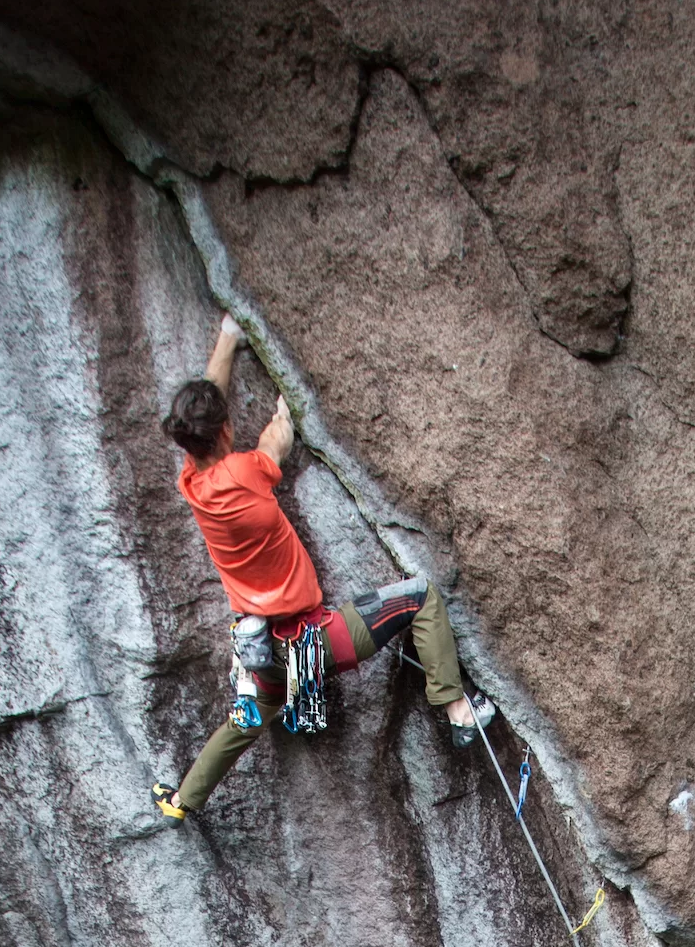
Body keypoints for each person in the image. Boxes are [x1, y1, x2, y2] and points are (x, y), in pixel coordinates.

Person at [153, 313, 483, 822]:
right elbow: (276, 441)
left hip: (261, 654)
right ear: (226, 431)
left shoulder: (192, 485)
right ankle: (459, 711)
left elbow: (206, 415)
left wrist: (227, 339)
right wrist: (284, 412)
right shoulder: (247, 472)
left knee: (242, 723)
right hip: (317, 642)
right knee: (419, 597)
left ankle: (182, 801)